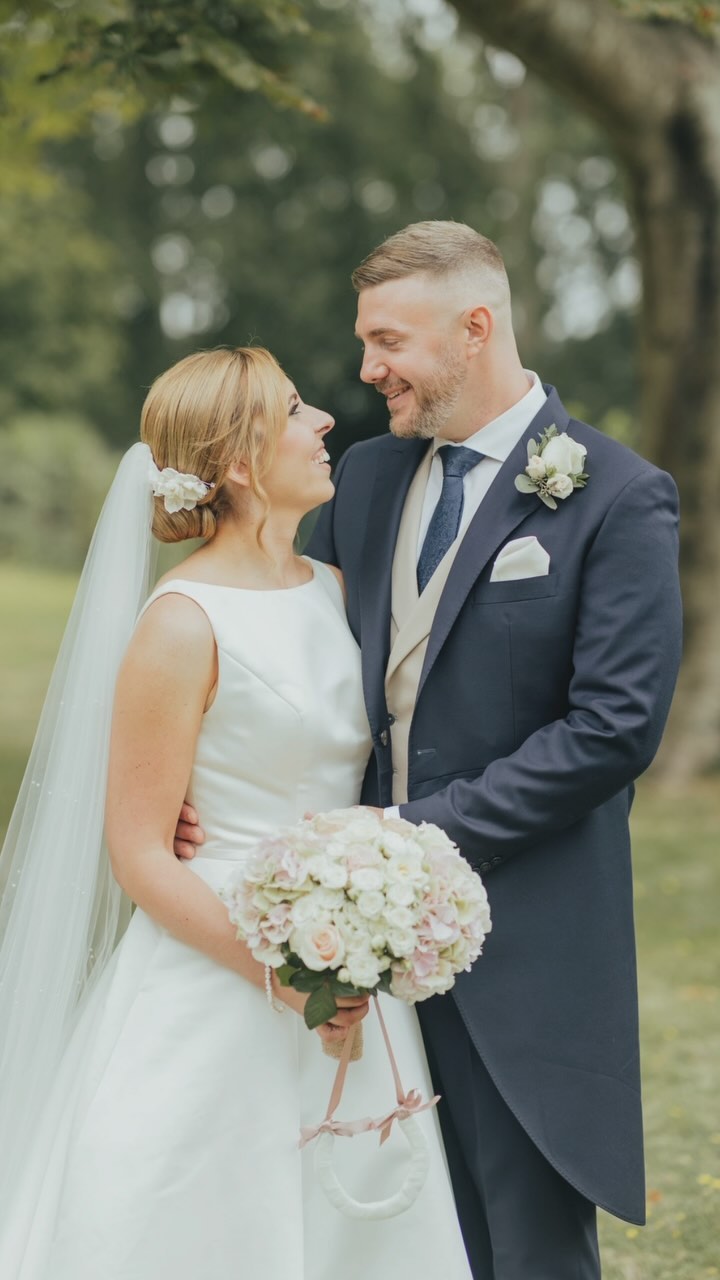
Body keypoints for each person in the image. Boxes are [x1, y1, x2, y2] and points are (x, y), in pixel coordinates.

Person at [177, 222, 682, 1278]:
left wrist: (408, 838)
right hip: (352, 940)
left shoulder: (617, 497)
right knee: (386, 1229)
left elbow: (614, 727)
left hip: (524, 935)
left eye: (387, 340)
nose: (367, 369)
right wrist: (208, 788)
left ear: (475, 328)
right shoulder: (362, 477)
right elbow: (296, 651)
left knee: (526, 1240)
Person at [0, 346, 472, 1280]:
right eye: (296, 409)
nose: (325, 421)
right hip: (219, 967)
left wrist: (358, 932)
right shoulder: (181, 623)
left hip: (346, 944)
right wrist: (292, 981)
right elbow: (140, 853)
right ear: (245, 464)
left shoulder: (334, 591)